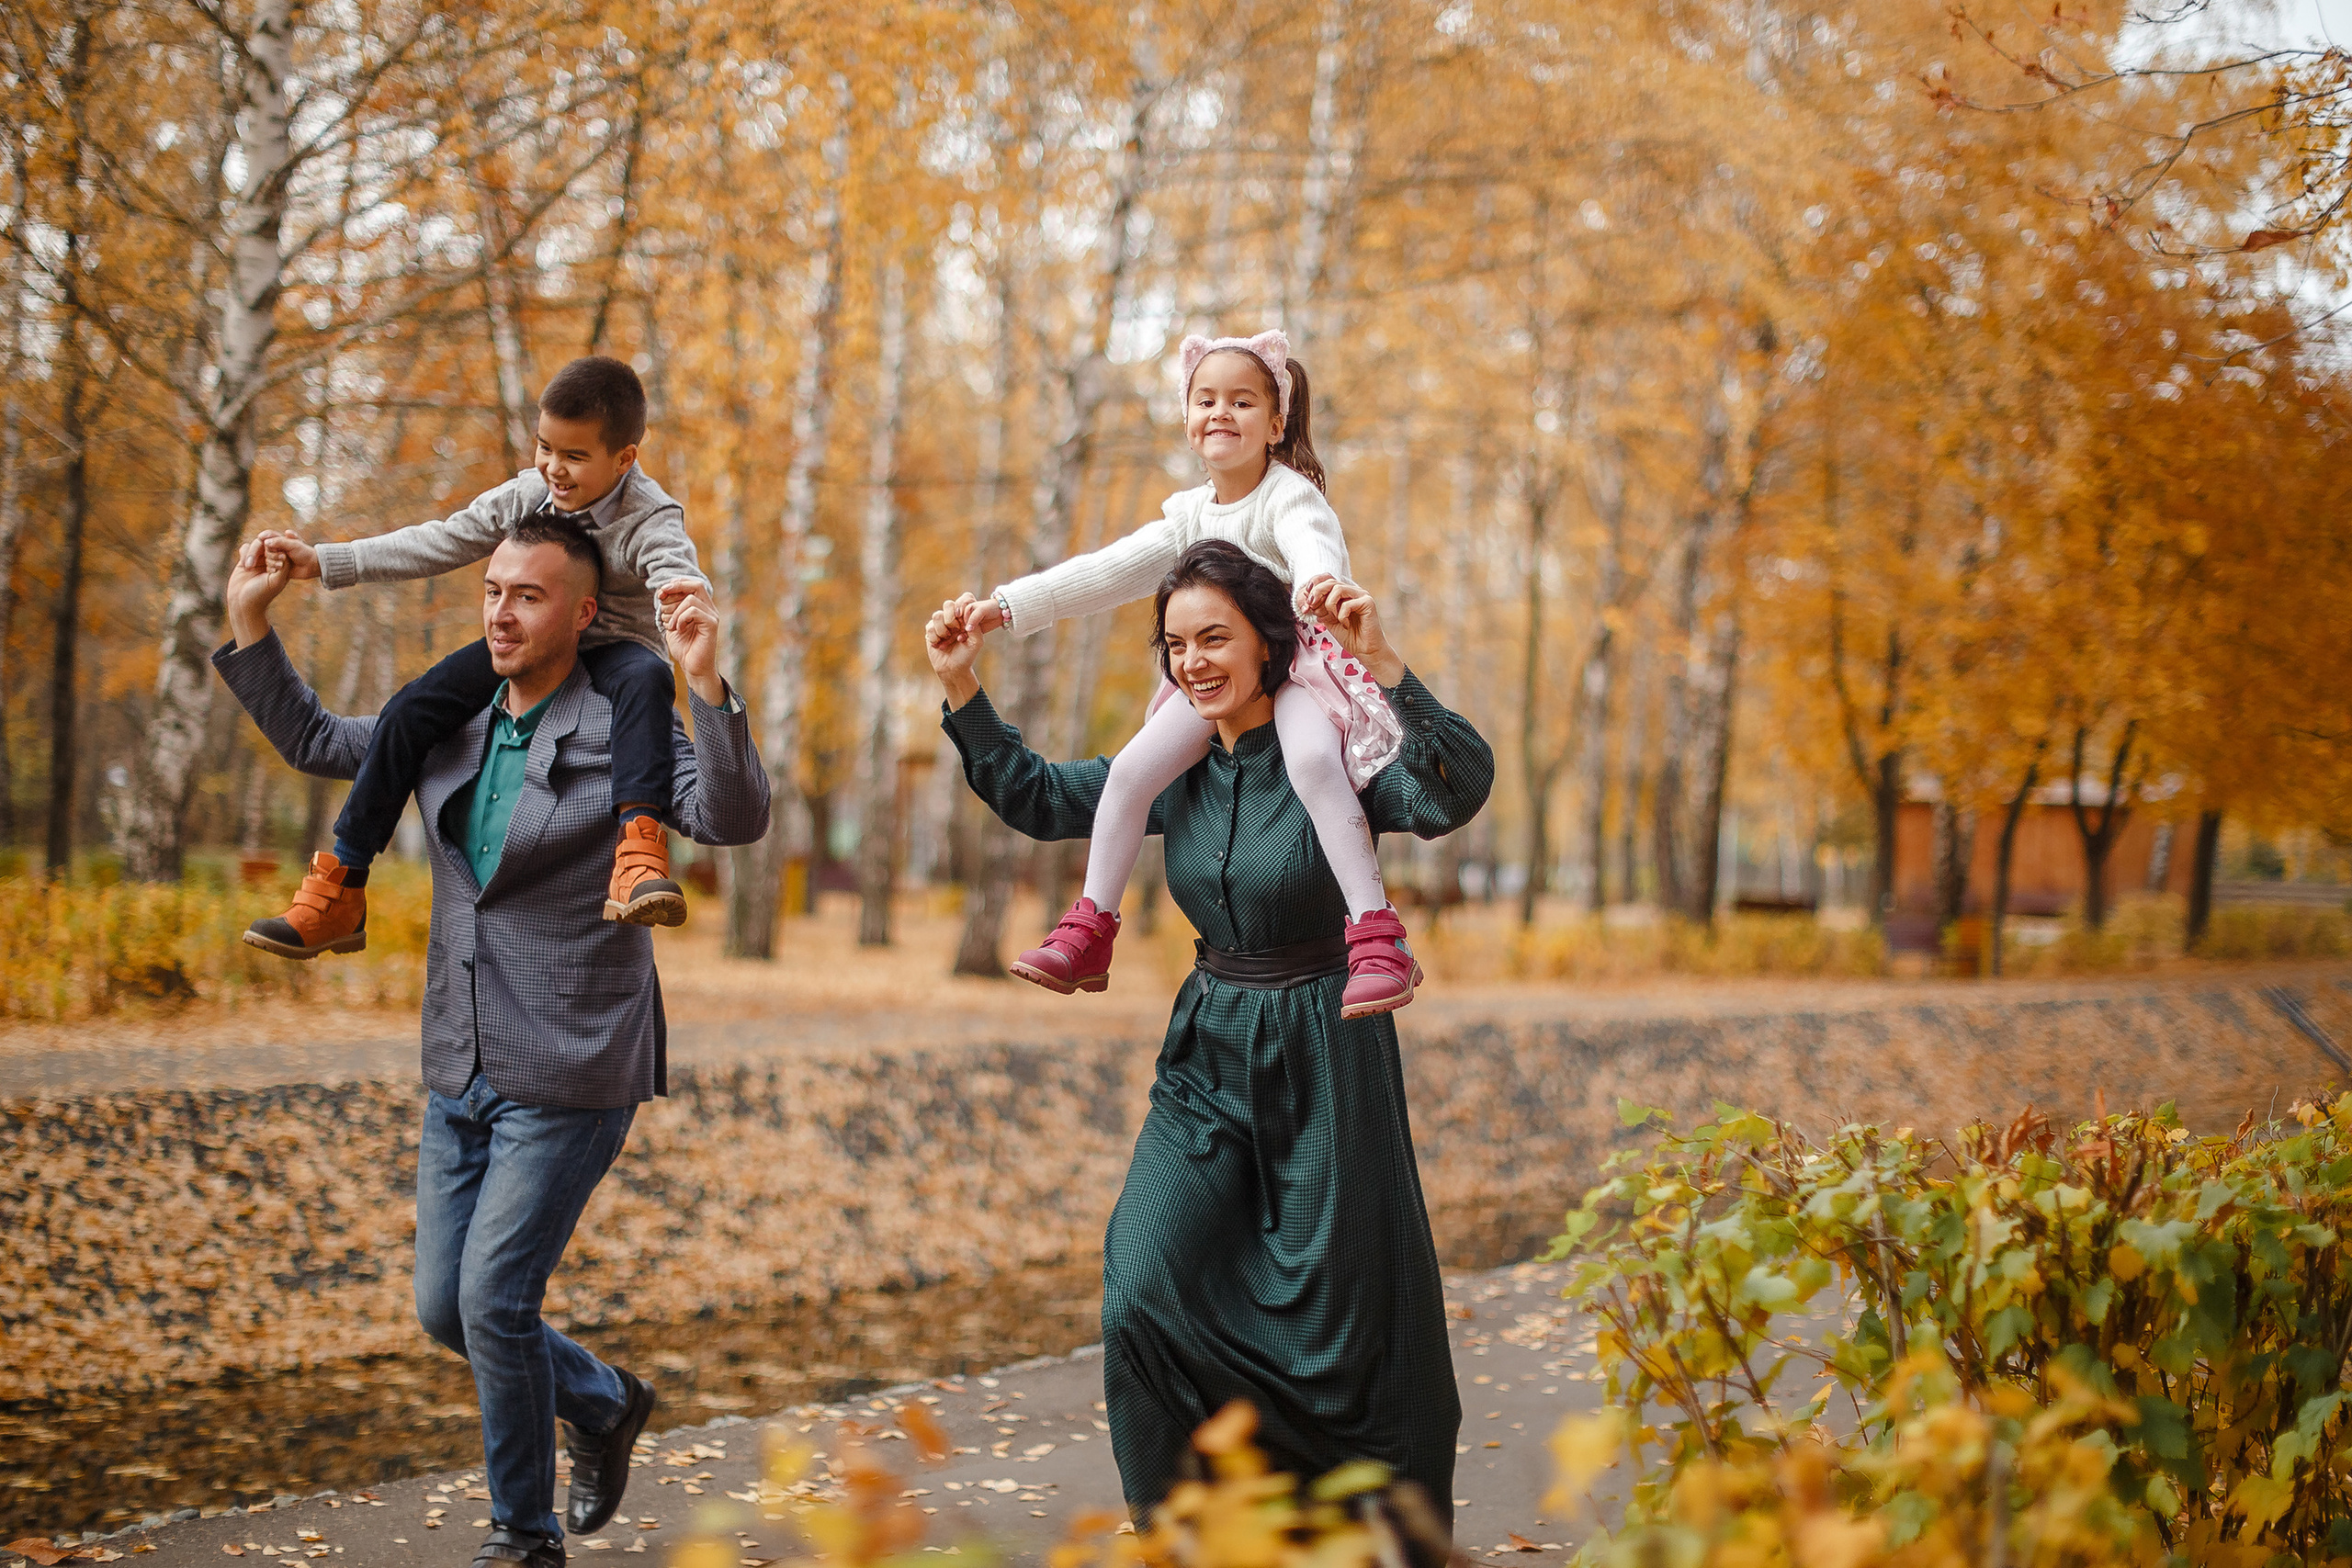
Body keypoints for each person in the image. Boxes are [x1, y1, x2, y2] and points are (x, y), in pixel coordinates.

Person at [213, 515, 772, 1568]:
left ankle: (523, 1539)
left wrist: (707, 682)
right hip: (460, 1057)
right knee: (444, 1310)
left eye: (526, 596)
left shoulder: (626, 727)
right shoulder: (452, 719)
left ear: (581, 613)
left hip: (572, 1059)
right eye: (492, 592)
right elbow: (321, 741)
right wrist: (250, 625)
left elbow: (733, 817)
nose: (501, 613)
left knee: (493, 1302)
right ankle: (604, 1403)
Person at [925, 540, 1491, 1530]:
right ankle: (1183, 1535)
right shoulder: (1174, 758)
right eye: (1175, 642)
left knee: (1339, 1318)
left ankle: (1367, 1535)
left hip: (1330, 1042)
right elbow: (1046, 797)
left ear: (1268, 644)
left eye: (1215, 638)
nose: (1192, 661)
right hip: (1209, 1048)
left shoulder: (1339, 755)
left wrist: (1387, 663)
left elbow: (1449, 789)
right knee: (1141, 1288)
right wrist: (962, 687)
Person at [946, 329, 1420, 1019]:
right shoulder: (1189, 514)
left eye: (1242, 401)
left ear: (1276, 422)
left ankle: (1377, 934)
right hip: (1220, 676)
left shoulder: (1291, 497)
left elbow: (1311, 547)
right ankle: (1090, 927)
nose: (1221, 412)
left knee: (1314, 762)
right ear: (1188, 419)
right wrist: (1003, 608)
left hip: (1299, 671)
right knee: (1132, 773)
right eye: (1206, 400)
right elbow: (1102, 572)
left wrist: (1320, 583)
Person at [240, 355, 711, 961]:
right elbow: (443, 538)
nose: (553, 468)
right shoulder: (528, 495)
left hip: (615, 650)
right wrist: (327, 561)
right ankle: (342, 885)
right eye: (545, 447)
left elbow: (678, 572)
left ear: (624, 459)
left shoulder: (651, 514)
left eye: (574, 456)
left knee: (649, 674)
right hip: (531, 648)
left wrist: (682, 605)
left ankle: (638, 853)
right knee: (410, 709)